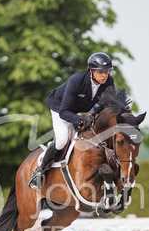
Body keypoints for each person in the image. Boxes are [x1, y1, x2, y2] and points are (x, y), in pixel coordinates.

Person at [28, 52, 115, 190]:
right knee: (62, 139)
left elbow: (108, 106)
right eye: (100, 72)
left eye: (106, 72)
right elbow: (64, 112)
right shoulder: (77, 80)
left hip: (85, 107)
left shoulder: (109, 81)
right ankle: (40, 171)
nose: (104, 75)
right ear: (91, 71)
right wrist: (81, 119)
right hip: (61, 108)